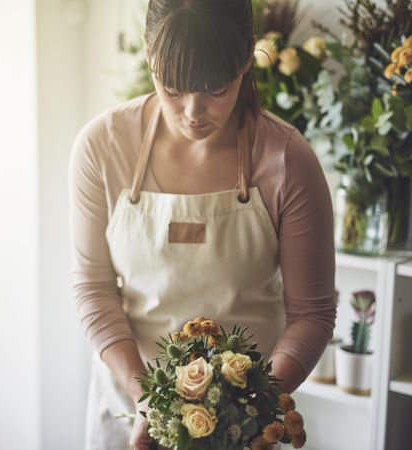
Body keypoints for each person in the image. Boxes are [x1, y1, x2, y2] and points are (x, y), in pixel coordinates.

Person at [68, 1, 337, 449]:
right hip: (127, 405)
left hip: (244, 424)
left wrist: (251, 409)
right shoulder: (103, 146)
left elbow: (312, 314)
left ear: (247, 58)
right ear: (149, 53)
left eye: (216, 88)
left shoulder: (287, 161)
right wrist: (148, 403)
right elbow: (93, 288)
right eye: (173, 88)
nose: (194, 111)